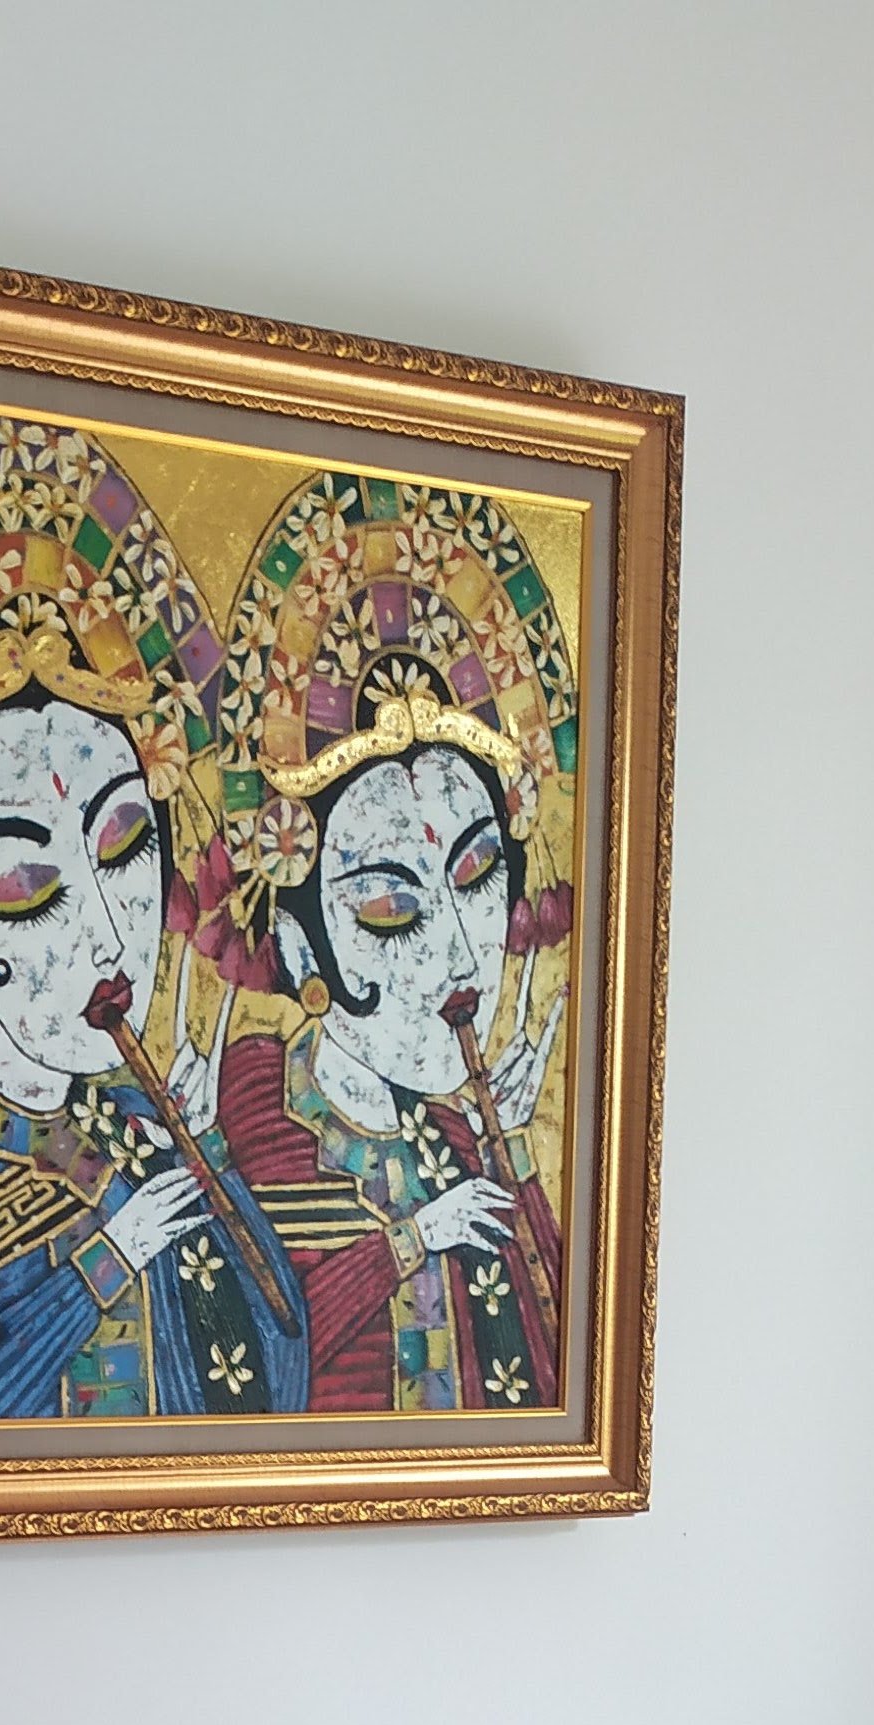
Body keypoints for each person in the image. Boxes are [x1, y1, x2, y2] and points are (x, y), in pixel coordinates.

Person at [0, 406, 306, 1422]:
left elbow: (281, 1371)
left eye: (123, 849)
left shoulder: (139, 1119)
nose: (107, 935)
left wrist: (203, 1154)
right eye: (25, 890)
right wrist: (111, 1259)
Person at [210, 472, 578, 1412]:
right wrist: (412, 1240)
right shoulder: (257, 1113)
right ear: (303, 950)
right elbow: (252, 1345)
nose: (460, 956)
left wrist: (509, 1152)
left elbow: (565, 1356)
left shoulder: (461, 1127)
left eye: (477, 873)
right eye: (388, 908)